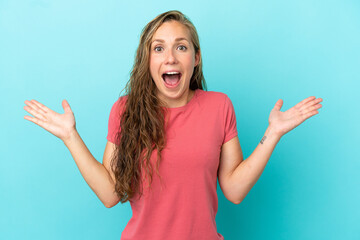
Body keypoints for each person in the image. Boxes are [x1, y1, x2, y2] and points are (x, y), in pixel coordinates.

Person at [23, 10, 323, 240]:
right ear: (147, 59)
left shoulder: (219, 106)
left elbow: (233, 189)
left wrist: (273, 134)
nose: (170, 57)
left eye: (181, 47)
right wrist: (70, 136)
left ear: (196, 58)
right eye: (158, 48)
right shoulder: (125, 111)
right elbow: (110, 194)